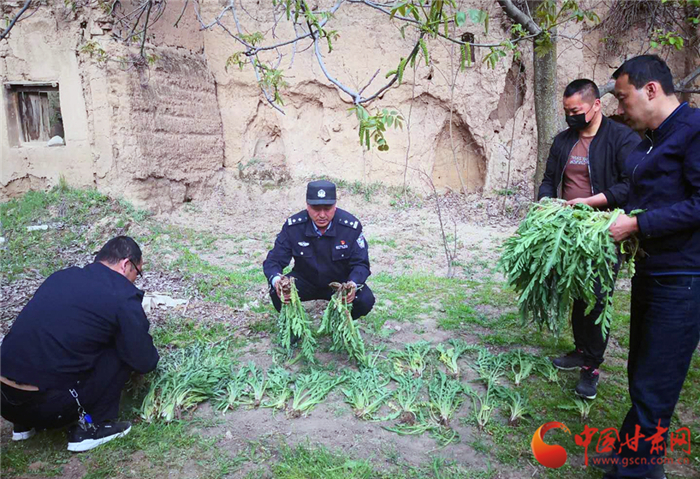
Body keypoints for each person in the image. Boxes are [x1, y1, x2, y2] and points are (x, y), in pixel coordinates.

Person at [603, 55, 700, 479]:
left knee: (655, 383)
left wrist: (639, 223)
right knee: (641, 372)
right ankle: (630, 458)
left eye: (624, 98)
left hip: (684, 279)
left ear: (651, 90)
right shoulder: (656, 139)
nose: (621, 109)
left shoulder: (694, 131)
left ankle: (637, 472)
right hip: (654, 273)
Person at [0, 236, 159, 452]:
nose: (134, 281)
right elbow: (145, 360)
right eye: (137, 273)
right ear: (125, 264)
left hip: (5, 401)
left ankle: (24, 425)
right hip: (45, 407)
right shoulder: (121, 295)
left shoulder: (62, 277)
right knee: (122, 348)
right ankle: (94, 427)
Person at [539, 78, 640, 400]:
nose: (571, 116)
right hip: (569, 229)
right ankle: (581, 350)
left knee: (597, 297)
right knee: (578, 292)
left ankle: (592, 368)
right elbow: (548, 180)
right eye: (567, 111)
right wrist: (546, 206)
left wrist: (591, 201)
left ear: (596, 104)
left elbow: (629, 185)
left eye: (576, 111)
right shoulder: (564, 141)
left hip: (604, 230)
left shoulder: (621, 139)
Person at [263, 180, 375, 321]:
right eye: (316, 208)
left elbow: (361, 264)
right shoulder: (294, 226)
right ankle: (294, 325)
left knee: (365, 299)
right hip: (305, 280)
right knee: (277, 290)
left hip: (339, 283)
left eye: (327, 208)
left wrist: (353, 283)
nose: (322, 215)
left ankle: (341, 323)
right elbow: (273, 261)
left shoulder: (350, 227)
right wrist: (278, 281)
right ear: (307, 206)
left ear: (335, 206)